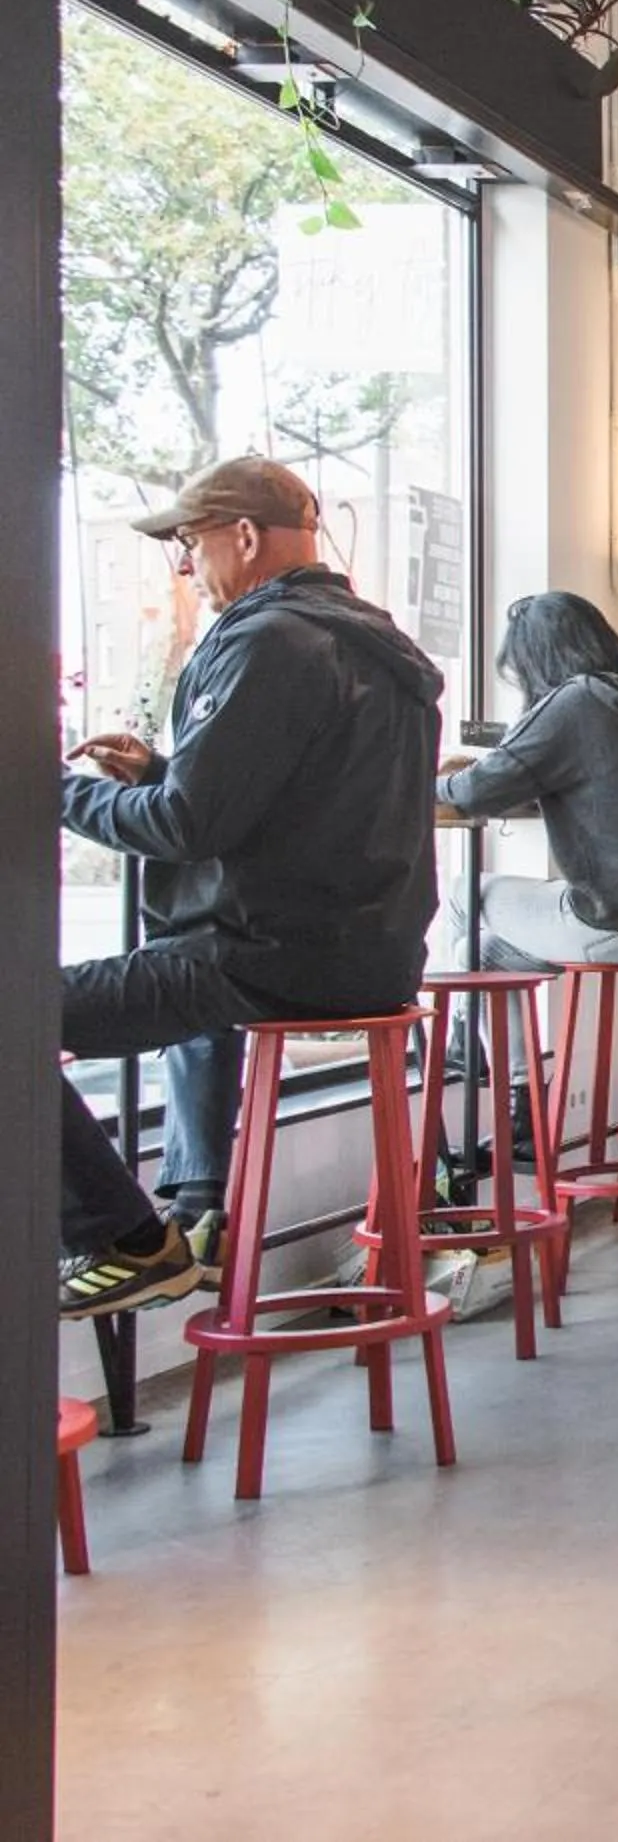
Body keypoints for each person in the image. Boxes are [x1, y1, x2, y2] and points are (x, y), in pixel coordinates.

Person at [58, 456, 445, 1317]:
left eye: (191, 544)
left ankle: (125, 1239)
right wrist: (160, 771)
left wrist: (60, 792)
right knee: (184, 980)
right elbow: (293, 805)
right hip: (370, 959)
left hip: (271, 960)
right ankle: (198, 1210)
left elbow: (186, 827)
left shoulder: (267, 640)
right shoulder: (375, 639)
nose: (187, 567)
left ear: (242, 535)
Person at [438, 591, 618, 976]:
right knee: (483, 950)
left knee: (461, 894)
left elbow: (474, 792)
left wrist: (431, 782)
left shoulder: (575, 701)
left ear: (536, 659)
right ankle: (491, 1040)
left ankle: (452, 1036)